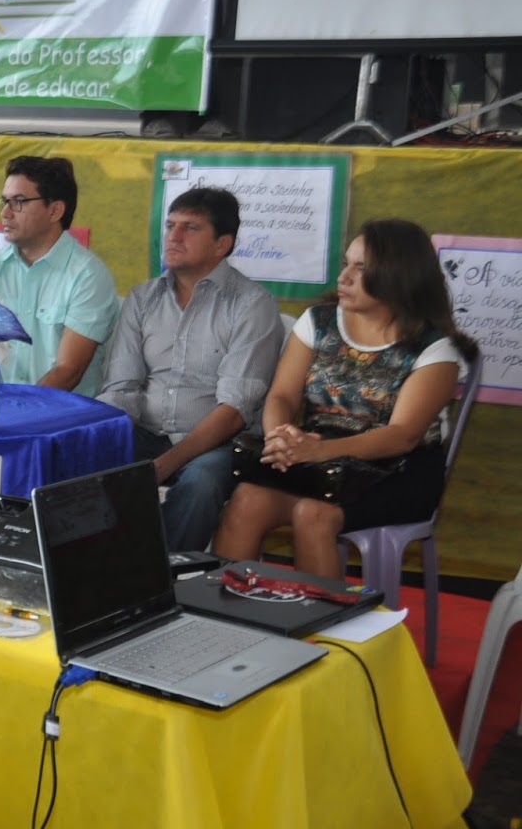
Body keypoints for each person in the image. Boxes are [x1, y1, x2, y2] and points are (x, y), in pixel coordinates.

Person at [213, 219, 479, 577]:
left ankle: (319, 614)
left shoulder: (434, 350)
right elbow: (282, 395)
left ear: (399, 276)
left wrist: (317, 451)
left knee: (313, 515)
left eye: (361, 268)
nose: (344, 277)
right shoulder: (318, 322)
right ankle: (224, 608)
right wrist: (279, 436)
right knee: (247, 500)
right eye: (346, 264)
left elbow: (402, 436)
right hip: (320, 462)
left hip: (398, 469)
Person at [97, 187, 284, 551]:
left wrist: (164, 465)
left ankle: (165, 573)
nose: (174, 236)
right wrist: (103, 438)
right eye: (170, 226)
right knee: (84, 461)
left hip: (217, 443)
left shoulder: (251, 304)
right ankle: (98, 568)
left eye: (191, 227)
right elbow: (121, 387)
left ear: (222, 244)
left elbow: (233, 412)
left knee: (202, 483)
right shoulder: (143, 298)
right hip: (146, 432)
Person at [0, 155, 119, 396]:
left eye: (18, 202)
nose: (5, 213)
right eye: (4, 201)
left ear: (55, 210)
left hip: (60, 414)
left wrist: (20, 411)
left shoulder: (88, 276)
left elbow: (68, 372)